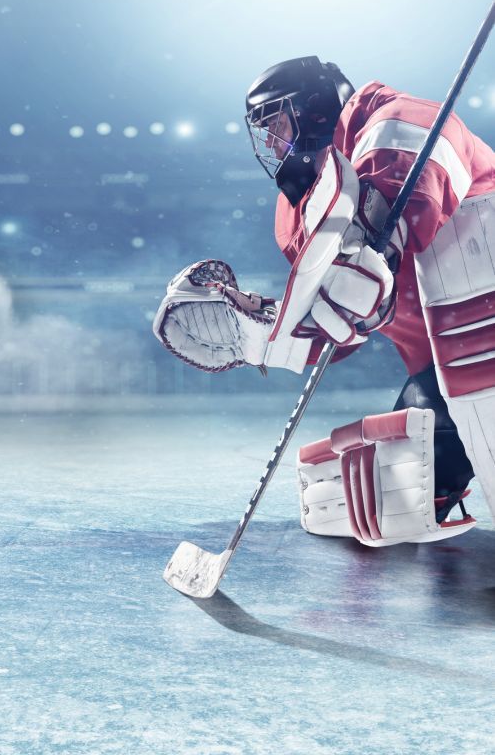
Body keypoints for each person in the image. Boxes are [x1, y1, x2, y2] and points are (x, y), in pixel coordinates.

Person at [154, 56, 495, 546]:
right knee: (393, 496)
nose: (271, 144)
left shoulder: (399, 119)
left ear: (314, 110)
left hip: (478, 325)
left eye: (276, 124)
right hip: (447, 367)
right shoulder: (302, 209)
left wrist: (376, 246)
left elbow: (406, 186)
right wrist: (268, 331)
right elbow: (346, 318)